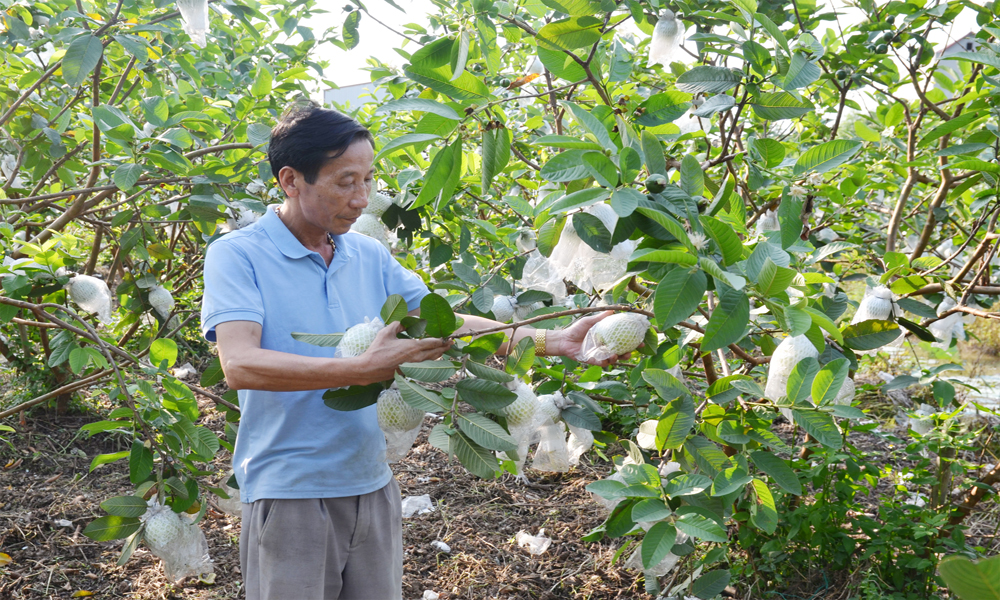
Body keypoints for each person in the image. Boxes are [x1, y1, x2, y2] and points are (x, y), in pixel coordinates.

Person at [201, 102, 630, 600]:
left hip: (372, 482)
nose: (362, 198)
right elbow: (239, 364)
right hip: (291, 490)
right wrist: (360, 369)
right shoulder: (238, 255)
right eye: (345, 182)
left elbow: (442, 321)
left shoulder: (367, 254)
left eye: (368, 180)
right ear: (291, 180)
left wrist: (553, 341)